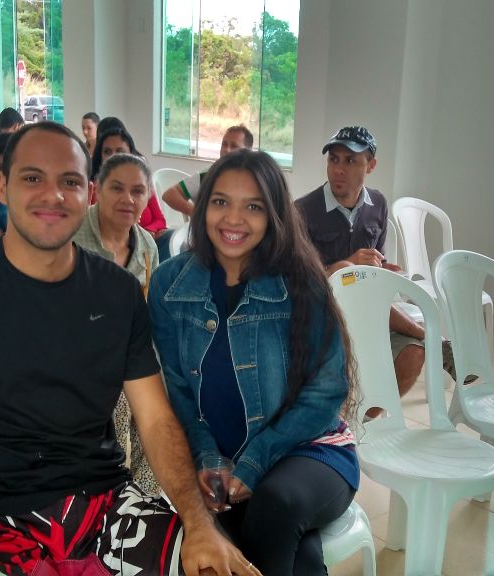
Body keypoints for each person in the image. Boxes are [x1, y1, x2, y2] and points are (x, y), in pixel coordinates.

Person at [0, 122, 259, 576]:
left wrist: (199, 524)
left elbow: (155, 419)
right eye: (32, 178)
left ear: (87, 193)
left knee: (213, 567)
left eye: (69, 181)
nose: (53, 195)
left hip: (104, 504)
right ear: (1, 186)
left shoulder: (117, 292)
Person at [149, 148, 360, 575]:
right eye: (221, 202)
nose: (234, 219)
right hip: (221, 464)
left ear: (274, 215)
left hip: (309, 450)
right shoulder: (170, 284)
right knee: (287, 552)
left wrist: (254, 462)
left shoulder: (300, 282)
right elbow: (178, 392)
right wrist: (208, 457)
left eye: (253, 207)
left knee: (275, 503)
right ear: (203, 206)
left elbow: (326, 393)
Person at [296, 126, 457, 398]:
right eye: (333, 159)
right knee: (348, 273)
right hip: (321, 310)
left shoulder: (378, 204)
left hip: (369, 307)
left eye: (350, 161)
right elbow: (296, 280)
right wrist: (347, 264)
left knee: (412, 354)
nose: (338, 169)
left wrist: (382, 269)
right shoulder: (303, 210)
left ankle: (371, 417)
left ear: (370, 166)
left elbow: (375, 263)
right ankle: (433, 338)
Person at [72, 152, 159, 495]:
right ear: (97, 189)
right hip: (76, 354)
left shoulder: (147, 245)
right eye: (117, 188)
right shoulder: (73, 235)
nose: (128, 199)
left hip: (128, 354)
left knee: (166, 397)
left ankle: (145, 493)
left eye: (138, 191)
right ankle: (113, 491)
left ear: (148, 196)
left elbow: (148, 315)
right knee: (122, 398)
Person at [90, 125, 169, 248]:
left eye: (120, 151)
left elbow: (160, 220)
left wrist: (148, 232)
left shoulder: (143, 183)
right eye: (107, 151)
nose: (113, 156)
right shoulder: (96, 190)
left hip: (148, 241)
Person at [162, 125, 255, 217]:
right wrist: (197, 214)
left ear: (248, 151)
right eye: (224, 144)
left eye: (234, 146)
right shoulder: (208, 175)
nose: (226, 150)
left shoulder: (255, 179)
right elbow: (170, 194)